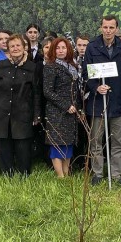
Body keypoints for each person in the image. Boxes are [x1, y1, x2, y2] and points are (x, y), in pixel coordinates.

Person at [83, 16, 121, 186]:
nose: (108, 30)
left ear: (117, 29)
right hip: (98, 102)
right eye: (105, 27)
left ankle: (117, 175)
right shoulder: (92, 47)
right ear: (100, 28)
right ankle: (97, 173)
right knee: (96, 140)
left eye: (111, 27)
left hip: (118, 101)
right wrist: (96, 87)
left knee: (117, 141)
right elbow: (86, 73)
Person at [0, 34, 41, 175]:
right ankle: (7, 174)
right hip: (2, 113)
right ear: (8, 49)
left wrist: (37, 115)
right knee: (4, 146)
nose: (15, 48)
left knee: (23, 147)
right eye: (12, 46)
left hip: (23, 113)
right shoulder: (1, 66)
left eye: (18, 45)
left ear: (24, 48)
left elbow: (37, 93)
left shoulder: (32, 67)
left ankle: (23, 174)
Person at [43, 37, 82, 177]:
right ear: (53, 50)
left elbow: (76, 90)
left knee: (68, 144)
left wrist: (78, 108)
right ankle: (60, 176)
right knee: (57, 144)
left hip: (72, 112)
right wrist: (66, 106)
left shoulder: (72, 66)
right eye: (57, 48)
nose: (60, 51)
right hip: (57, 112)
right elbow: (48, 92)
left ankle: (66, 173)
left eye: (63, 48)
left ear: (68, 49)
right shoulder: (50, 66)